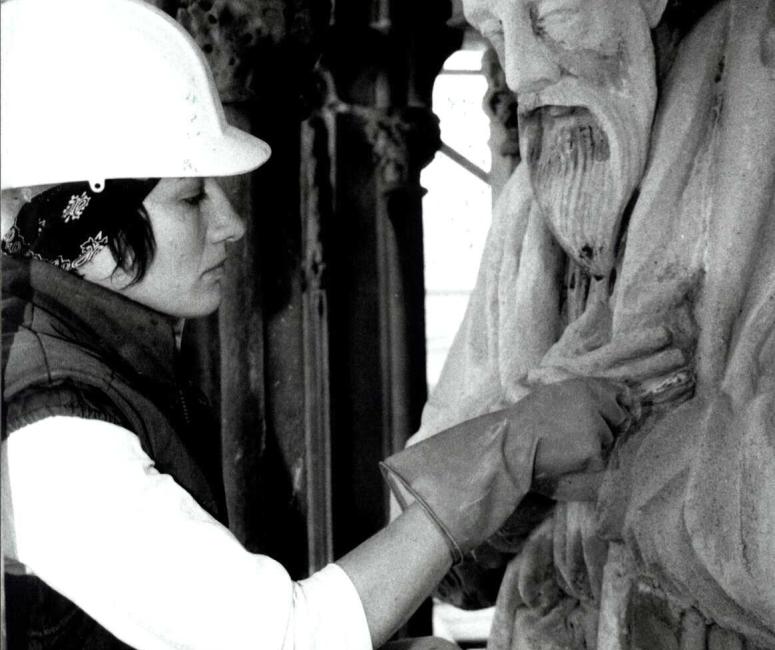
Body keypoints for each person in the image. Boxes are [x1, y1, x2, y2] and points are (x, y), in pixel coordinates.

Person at [0, 1, 630, 649]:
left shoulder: (89, 353)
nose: (231, 224)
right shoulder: (52, 426)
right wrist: (504, 452)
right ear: (89, 232)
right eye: (191, 199)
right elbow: (282, 639)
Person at [409, 0, 775, 648]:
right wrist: (521, 446)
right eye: (494, 29)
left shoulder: (756, 134)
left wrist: (625, 455)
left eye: (556, 15)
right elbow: (421, 544)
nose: (520, 70)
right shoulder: (531, 215)